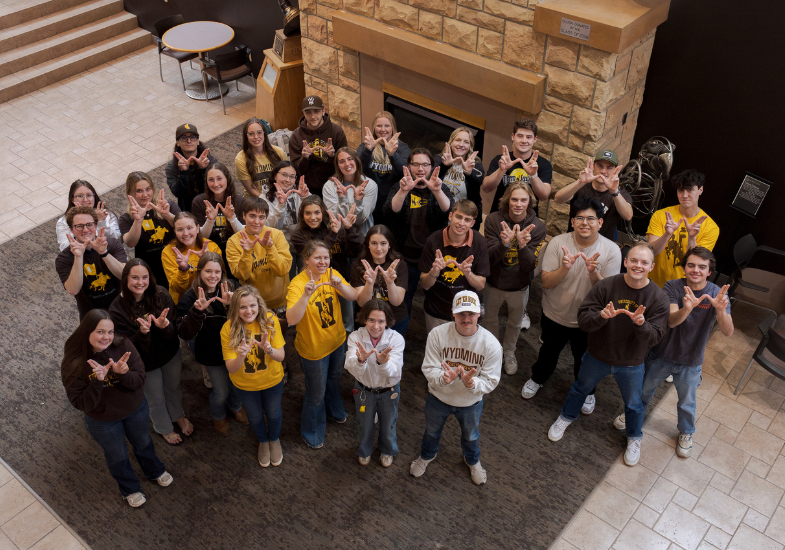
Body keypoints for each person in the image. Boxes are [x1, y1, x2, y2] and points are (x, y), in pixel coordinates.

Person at [547, 242, 670, 467]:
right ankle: (566, 417)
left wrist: (641, 325)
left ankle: (634, 437)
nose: (638, 266)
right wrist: (601, 316)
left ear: (651, 267)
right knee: (579, 389)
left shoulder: (658, 298)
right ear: (625, 262)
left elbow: (655, 338)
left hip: (631, 363)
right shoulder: (606, 286)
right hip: (597, 356)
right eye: (633, 260)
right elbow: (583, 320)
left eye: (644, 262)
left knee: (633, 404)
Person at [613, 247, 734, 458]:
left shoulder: (716, 293)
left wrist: (721, 310)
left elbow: (728, 331)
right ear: (685, 267)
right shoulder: (673, 287)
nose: (696, 270)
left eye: (702, 267)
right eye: (691, 265)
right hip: (660, 355)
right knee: (642, 393)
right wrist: (687, 308)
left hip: (691, 361)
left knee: (687, 402)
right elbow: (670, 321)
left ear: (709, 271)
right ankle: (633, 417)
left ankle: (686, 432)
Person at [61, 310, 172, 508]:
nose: (107, 337)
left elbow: (139, 379)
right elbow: (80, 403)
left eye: (110, 332)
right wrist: (97, 381)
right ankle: (130, 488)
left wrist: (123, 374)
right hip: (102, 420)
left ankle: (154, 471)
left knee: (143, 442)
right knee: (117, 454)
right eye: (100, 332)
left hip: (134, 409)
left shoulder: (123, 345)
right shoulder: (74, 361)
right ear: (87, 331)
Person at [521, 198, 622, 412]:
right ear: (573, 222)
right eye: (580, 218)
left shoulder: (612, 250)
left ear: (600, 222)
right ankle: (538, 378)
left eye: (591, 218)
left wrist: (593, 272)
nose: (585, 223)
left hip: (588, 320)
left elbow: (608, 294)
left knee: (584, 360)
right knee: (548, 352)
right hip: (554, 314)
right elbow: (546, 282)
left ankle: (587, 391)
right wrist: (564, 268)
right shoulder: (558, 243)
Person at [410, 291, 502, 485]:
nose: (466, 319)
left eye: (471, 314)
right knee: (431, 432)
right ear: (453, 312)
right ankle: (427, 455)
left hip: (470, 402)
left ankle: (472, 461)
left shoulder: (492, 345)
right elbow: (428, 368)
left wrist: (472, 383)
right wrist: (444, 378)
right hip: (438, 397)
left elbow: (491, 381)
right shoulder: (437, 334)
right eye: (461, 314)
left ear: (479, 313)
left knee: (471, 435)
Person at [109, 259, 193, 446]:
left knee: (173, 388)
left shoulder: (162, 295)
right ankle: (164, 427)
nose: (140, 282)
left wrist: (165, 327)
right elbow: (125, 345)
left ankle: (178, 415)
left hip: (168, 353)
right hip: (143, 362)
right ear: (126, 279)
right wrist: (142, 334)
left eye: (144, 277)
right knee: (155, 397)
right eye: (135, 278)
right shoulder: (117, 308)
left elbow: (174, 332)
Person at [286, 241, 359, 449]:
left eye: (326, 257)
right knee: (315, 393)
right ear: (306, 260)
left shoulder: (331, 273)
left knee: (334, 379)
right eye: (317, 258)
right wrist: (306, 295)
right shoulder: (298, 284)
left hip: (336, 342)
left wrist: (340, 285)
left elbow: (353, 296)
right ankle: (311, 428)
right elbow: (291, 319)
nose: (323, 262)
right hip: (314, 350)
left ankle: (333, 407)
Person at [177, 253, 247, 435]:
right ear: (200, 272)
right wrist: (196, 312)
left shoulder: (233, 288)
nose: (212, 276)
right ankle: (218, 416)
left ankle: (236, 406)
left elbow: (249, 318)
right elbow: (184, 333)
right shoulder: (189, 297)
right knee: (221, 391)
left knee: (237, 384)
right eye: (208, 271)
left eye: (217, 271)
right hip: (211, 352)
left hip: (234, 349)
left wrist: (232, 306)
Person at [483, 183, 547, 374]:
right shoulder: (494, 220)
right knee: (490, 320)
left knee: (515, 323)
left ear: (530, 203)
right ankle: (492, 351)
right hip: (493, 283)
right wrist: (504, 244)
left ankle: (509, 351)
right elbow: (490, 259)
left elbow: (529, 266)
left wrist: (521, 246)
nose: (518, 204)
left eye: (523, 200)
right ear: (507, 200)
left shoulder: (538, 227)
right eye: (514, 199)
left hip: (519, 287)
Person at [384, 148, 454, 314]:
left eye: (425, 164)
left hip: (431, 256)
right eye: (416, 164)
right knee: (404, 300)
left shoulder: (439, 187)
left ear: (431, 167)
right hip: (405, 255)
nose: (420, 169)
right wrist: (403, 191)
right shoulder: (400, 185)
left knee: (434, 297)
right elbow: (389, 212)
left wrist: (436, 191)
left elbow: (449, 212)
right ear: (409, 166)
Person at [222, 286, 286, 467]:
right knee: (255, 416)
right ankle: (263, 441)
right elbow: (231, 369)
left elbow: (281, 356)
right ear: (235, 308)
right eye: (242, 307)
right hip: (245, 385)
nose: (248, 311)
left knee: (274, 414)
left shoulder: (271, 321)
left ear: (259, 305)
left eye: (252, 305)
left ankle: (274, 439)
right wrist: (241, 355)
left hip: (272, 380)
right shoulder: (228, 329)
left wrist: (269, 349)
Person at [345, 300, 405, 467]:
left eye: (381, 321)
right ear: (365, 319)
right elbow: (352, 369)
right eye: (371, 320)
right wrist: (360, 360)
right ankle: (365, 450)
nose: (376, 326)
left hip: (389, 391)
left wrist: (383, 363)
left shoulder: (396, 339)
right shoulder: (355, 337)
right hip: (364, 391)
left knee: (388, 424)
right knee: (364, 423)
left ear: (387, 322)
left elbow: (395, 372)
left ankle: (387, 451)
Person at [291, 195, 363, 332]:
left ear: (323, 212)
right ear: (302, 215)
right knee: (322, 324)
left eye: (317, 212)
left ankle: (345, 352)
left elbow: (354, 252)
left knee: (347, 323)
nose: (313, 217)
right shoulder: (298, 236)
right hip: (316, 286)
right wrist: (333, 235)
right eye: (308, 213)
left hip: (340, 281)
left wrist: (348, 229)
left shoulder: (334, 227)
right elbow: (316, 254)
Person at [419, 199, 490, 332]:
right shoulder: (433, 240)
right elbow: (425, 284)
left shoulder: (479, 242)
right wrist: (435, 271)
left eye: (467, 220)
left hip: (465, 312)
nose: (461, 223)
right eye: (458, 217)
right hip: (437, 310)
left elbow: (480, 285)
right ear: (450, 216)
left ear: (473, 223)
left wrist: (468, 273)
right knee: (438, 351)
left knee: (462, 351)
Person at [225, 198, 293, 330]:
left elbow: (282, 270)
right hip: (253, 305)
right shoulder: (234, 241)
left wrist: (269, 248)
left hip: (280, 302)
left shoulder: (277, 235)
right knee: (258, 343)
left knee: (280, 341)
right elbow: (242, 275)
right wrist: (247, 252)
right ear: (243, 215)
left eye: (261, 217)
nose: (257, 222)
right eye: (252, 216)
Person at [647, 169, 719, 288]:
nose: (684, 195)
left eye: (690, 190)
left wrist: (692, 237)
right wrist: (667, 234)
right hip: (653, 282)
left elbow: (697, 264)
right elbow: (652, 251)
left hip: (682, 288)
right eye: (680, 190)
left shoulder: (711, 227)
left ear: (700, 190)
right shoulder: (661, 215)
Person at [56, 206, 127, 319]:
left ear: (95, 225)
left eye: (89, 224)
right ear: (71, 229)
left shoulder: (112, 244)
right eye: (79, 226)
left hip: (123, 310)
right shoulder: (64, 258)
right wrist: (78, 257)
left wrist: (104, 253)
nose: (85, 230)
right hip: (92, 318)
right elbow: (73, 289)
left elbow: (125, 275)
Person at [553, 150, 632, 241]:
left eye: (609, 168)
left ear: (615, 170)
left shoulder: (620, 194)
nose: (603, 171)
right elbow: (558, 198)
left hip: (602, 246)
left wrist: (614, 191)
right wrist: (580, 182)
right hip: (575, 241)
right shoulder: (581, 186)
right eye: (600, 166)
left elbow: (628, 216)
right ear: (593, 166)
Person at [120, 172, 179, 288]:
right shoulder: (126, 218)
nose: (145, 194)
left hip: (175, 262)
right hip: (150, 270)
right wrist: (138, 220)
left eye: (148, 189)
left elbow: (185, 228)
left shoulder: (169, 206)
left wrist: (167, 215)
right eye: (139, 191)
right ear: (130, 194)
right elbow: (130, 243)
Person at [482, 118, 552, 214]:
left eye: (528, 137)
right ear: (512, 136)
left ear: (535, 139)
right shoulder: (501, 159)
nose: (524, 141)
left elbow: (544, 196)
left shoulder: (543, 164)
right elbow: (486, 188)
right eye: (520, 136)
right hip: (499, 216)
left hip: (528, 219)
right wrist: (502, 170)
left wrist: (533, 175)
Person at [350, 225, 409, 335]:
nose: (378, 248)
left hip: (395, 321)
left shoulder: (400, 265)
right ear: (368, 244)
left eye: (383, 243)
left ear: (389, 245)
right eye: (374, 243)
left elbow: (397, 301)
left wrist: (390, 283)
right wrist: (369, 283)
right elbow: (362, 303)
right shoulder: (357, 265)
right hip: (368, 322)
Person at [357, 111, 410, 226]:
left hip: (393, 200)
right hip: (370, 200)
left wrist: (392, 154)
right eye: (379, 126)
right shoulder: (365, 146)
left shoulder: (402, 148)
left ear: (393, 128)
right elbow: (358, 170)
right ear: (374, 128)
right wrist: (368, 150)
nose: (383, 129)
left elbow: (404, 172)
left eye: (387, 126)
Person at [289, 96, 348, 196]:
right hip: (307, 190)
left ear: (323, 111)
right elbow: (295, 171)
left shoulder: (336, 132)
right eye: (308, 112)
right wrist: (305, 158)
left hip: (334, 187)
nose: (313, 116)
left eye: (316, 111)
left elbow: (346, 165)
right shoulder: (296, 136)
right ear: (303, 113)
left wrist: (332, 156)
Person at [161, 212, 222, 304]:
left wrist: (207, 260)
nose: (185, 233)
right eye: (180, 230)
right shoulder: (169, 251)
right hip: (182, 302)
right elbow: (177, 288)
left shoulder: (211, 246)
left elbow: (217, 279)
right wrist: (183, 268)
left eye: (189, 228)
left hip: (209, 300)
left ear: (197, 228)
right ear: (175, 232)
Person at [322, 147, 378, 240]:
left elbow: (360, 220)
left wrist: (358, 200)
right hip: (339, 238)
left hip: (363, 238)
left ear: (356, 161)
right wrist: (341, 198)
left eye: (350, 159)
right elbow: (335, 219)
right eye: (342, 161)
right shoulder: (329, 186)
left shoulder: (369, 185)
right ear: (338, 166)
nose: (347, 164)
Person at [191, 162, 246, 256]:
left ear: (227, 179)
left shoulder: (240, 201)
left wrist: (232, 218)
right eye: (211, 180)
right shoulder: (199, 202)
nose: (215, 184)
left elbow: (245, 235)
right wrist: (210, 220)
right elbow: (201, 237)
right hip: (210, 253)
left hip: (236, 252)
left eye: (219, 178)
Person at [56, 180, 121, 251]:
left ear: (94, 196)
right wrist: (76, 222)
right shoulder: (63, 222)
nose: (85, 200)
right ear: (73, 199)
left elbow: (117, 239)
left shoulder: (107, 215)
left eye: (89, 195)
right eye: (80, 196)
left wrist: (101, 223)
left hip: (107, 254)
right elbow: (64, 248)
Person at [165, 123, 216, 212]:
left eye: (193, 137)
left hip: (211, 206)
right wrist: (183, 172)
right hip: (188, 209)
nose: (189, 141)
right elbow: (178, 193)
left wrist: (204, 169)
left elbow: (217, 187)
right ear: (178, 143)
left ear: (198, 141)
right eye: (184, 138)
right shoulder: (171, 168)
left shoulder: (210, 161)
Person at [433, 127, 484, 216]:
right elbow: (430, 180)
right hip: (438, 211)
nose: (461, 144)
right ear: (451, 142)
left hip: (463, 214)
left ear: (470, 146)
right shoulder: (439, 159)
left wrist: (469, 173)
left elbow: (477, 186)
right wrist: (445, 166)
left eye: (466, 142)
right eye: (458, 140)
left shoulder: (476, 164)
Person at [235, 117, 286, 198]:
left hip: (277, 197)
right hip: (256, 201)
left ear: (264, 134)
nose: (256, 137)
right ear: (246, 136)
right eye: (251, 134)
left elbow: (286, 178)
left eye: (259, 132)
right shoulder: (240, 159)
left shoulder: (279, 152)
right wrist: (268, 202)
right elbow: (252, 190)